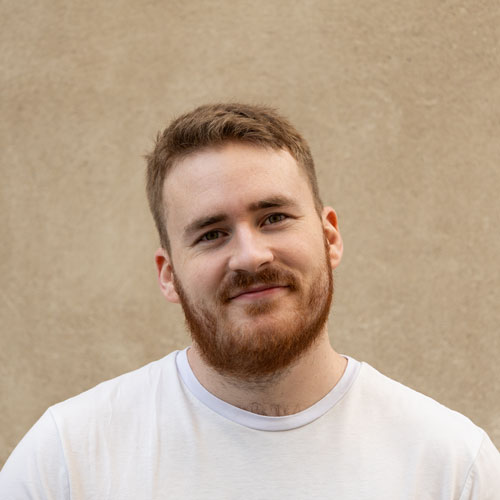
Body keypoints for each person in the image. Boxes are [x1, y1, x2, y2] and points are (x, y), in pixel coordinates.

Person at [1, 103, 499, 499]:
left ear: (329, 237)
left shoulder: (452, 466)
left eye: (274, 218)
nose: (250, 256)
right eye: (211, 233)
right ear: (168, 275)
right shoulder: (67, 459)